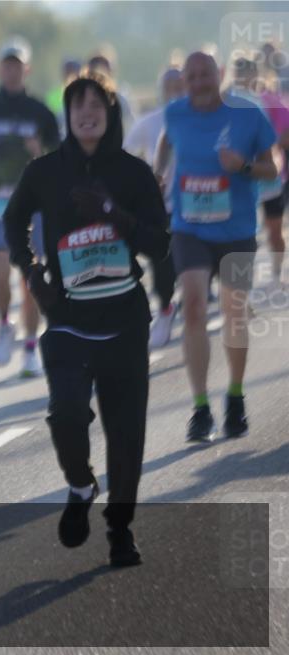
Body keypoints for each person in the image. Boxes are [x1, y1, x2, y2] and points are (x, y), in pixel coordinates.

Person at [5, 72, 170, 567]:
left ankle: (120, 529)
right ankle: (80, 484)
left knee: (125, 432)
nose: (86, 112)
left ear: (111, 111)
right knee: (67, 413)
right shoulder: (44, 172)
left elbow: (159, 244)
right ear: (68, 115)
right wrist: (33, 275)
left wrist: (112, 213)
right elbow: (13, 220)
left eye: (96, 103)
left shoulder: (133, 173)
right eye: (78, 104)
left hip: (124, 318)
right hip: (67, 317)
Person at [154, 52, 279, 442]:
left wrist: (241, 167)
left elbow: (272, 167)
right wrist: (159, 173)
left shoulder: (247, 111)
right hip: (189, 229)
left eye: (205, 74)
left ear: (219, 74)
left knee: (234, 312)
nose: (199, 82)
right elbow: (165, 142)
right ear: (184, 81)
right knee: (192, 303)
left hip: (238, 230)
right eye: (192, 77)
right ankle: (201, 407)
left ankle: (236, 396)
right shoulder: (175, 113)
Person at [0, 36, 60, 376]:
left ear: (27, 69)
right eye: (7, 65)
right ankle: (5, 323)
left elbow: (59, 155)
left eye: (17, 65)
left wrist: (40, 151)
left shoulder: (40, 112)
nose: (12, 71)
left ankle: (31, 347)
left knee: (31, 276)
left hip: (32, 202)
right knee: (0, 269)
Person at [124, 67, 185, 348]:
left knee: (192, 257)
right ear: (162, 89)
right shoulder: (149, 123)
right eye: (169, 85)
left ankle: (196, 293)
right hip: (160, 203)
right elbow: (125, 153)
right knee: (161, 260)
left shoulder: (200, 118)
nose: (175, 90)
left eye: (179, 84)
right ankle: (165, 308)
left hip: (195, 203)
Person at [227, 58, 289, 294]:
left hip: (270, 177)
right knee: (246, 235)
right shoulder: (226, 102)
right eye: (241, 74)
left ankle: (276, 273)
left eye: (250, 73)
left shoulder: (269, 100)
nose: (246, 78)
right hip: (243, 179)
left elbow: (286, 133)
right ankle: (246, 290)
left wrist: (271, 145)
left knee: (274, 230)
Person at [45, 58, 82, 136]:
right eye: (68, 71)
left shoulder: (85, 96)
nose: (70, 75)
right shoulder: (53, 95)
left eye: (73, 71)